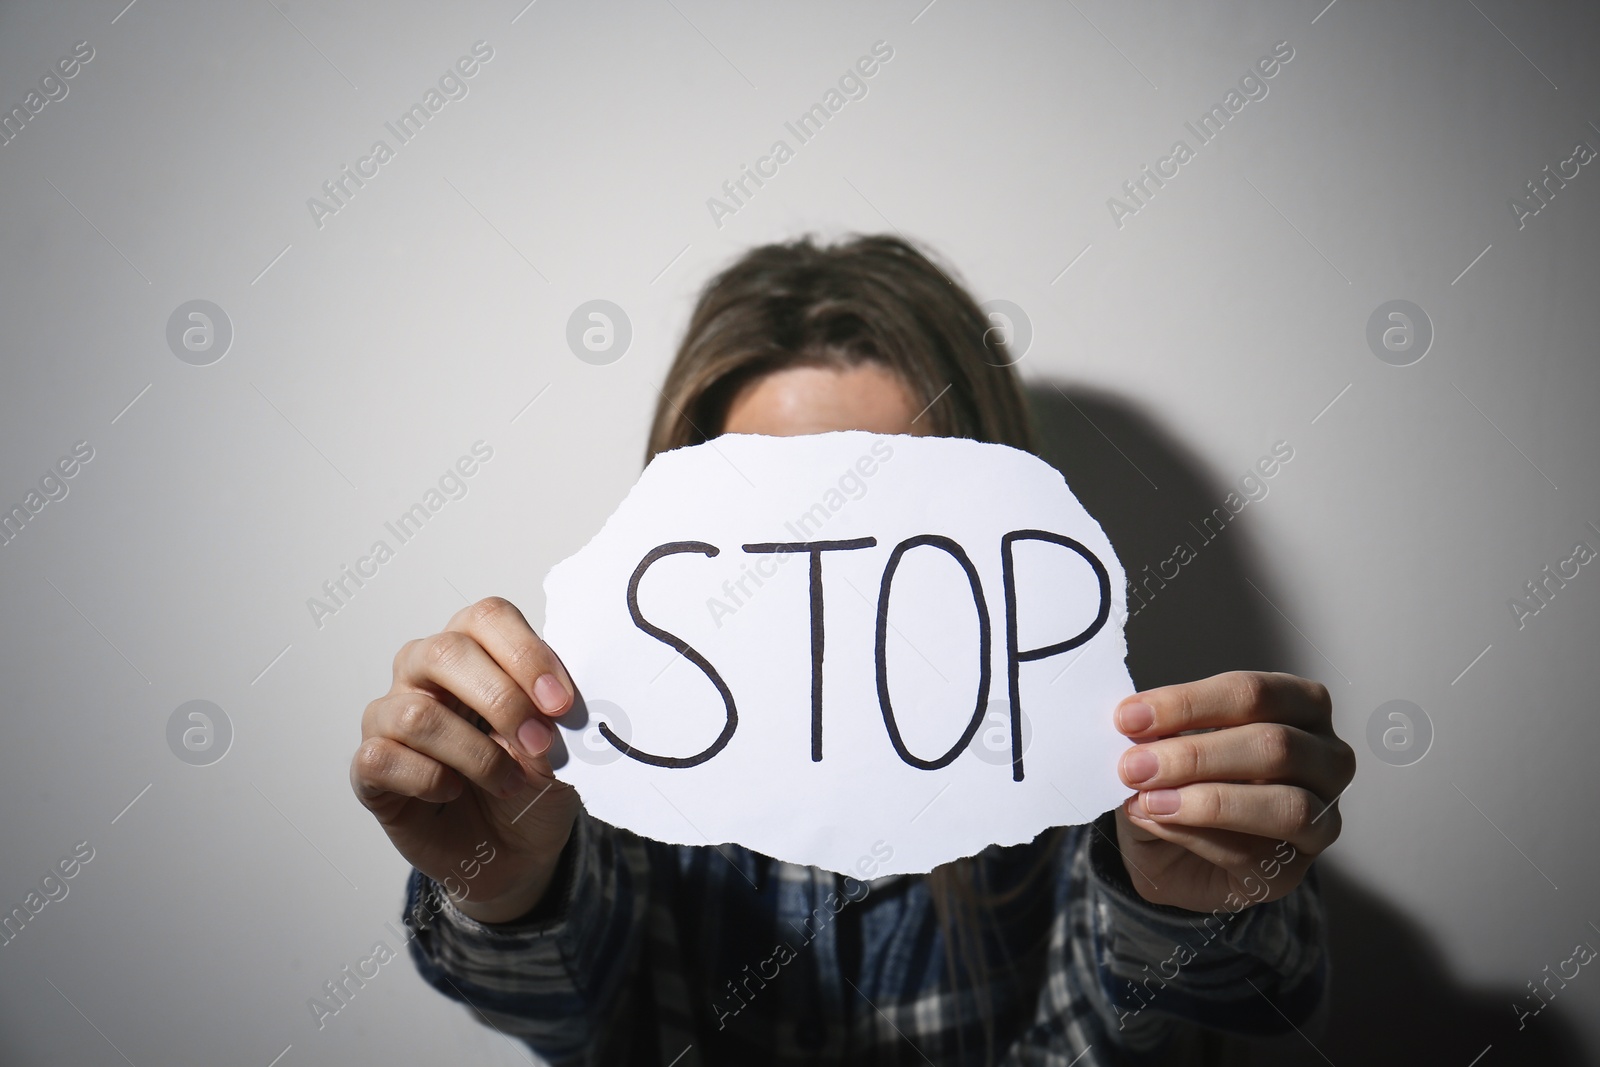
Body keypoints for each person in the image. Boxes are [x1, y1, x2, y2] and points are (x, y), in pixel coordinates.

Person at [350, 234, 1355, 1065]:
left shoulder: (1097, 794)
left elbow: (1194, 1010)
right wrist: (502, 874)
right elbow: (562, 1009)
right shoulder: (605, 782)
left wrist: (1170, 909)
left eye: (891, 505)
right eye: (770, 513)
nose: (829, 573)